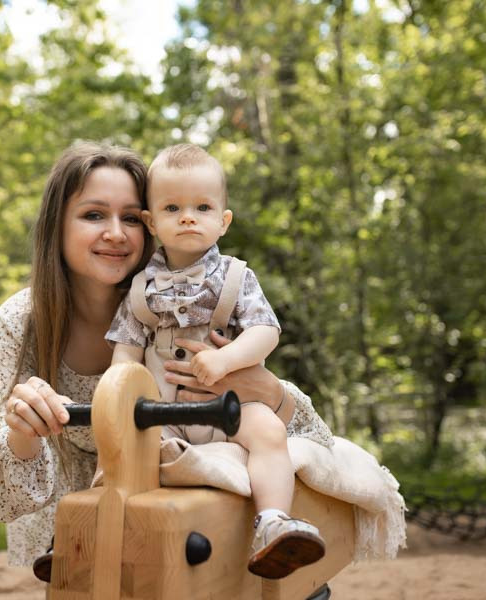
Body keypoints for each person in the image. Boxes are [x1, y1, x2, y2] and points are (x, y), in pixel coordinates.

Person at [0, 141, 334, 582]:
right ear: (57, 225)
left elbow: (312, 437)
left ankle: (271, 525)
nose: (116, 233)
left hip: (183, 490)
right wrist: (24, 427)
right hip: (82, 502)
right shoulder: (25, 321)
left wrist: (266, 391)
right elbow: (5, 495)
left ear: (148, 225)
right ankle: (80, 533)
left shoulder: (184, 295)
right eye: (94, 215)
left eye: (131, 218)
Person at [106, 143, 325, 579]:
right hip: (163, 408)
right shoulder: (140, 289)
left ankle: (273, 522)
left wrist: (227, 360)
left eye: (202, 207)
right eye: (172, 207)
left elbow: (265, 332)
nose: (188, 217)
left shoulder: (236, 276)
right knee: (120, 445)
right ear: (151, 222)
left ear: (223, 221)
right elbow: (126, 350)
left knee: (268, 432)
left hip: (229, 404)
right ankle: (100, 522)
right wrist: (117, 394)